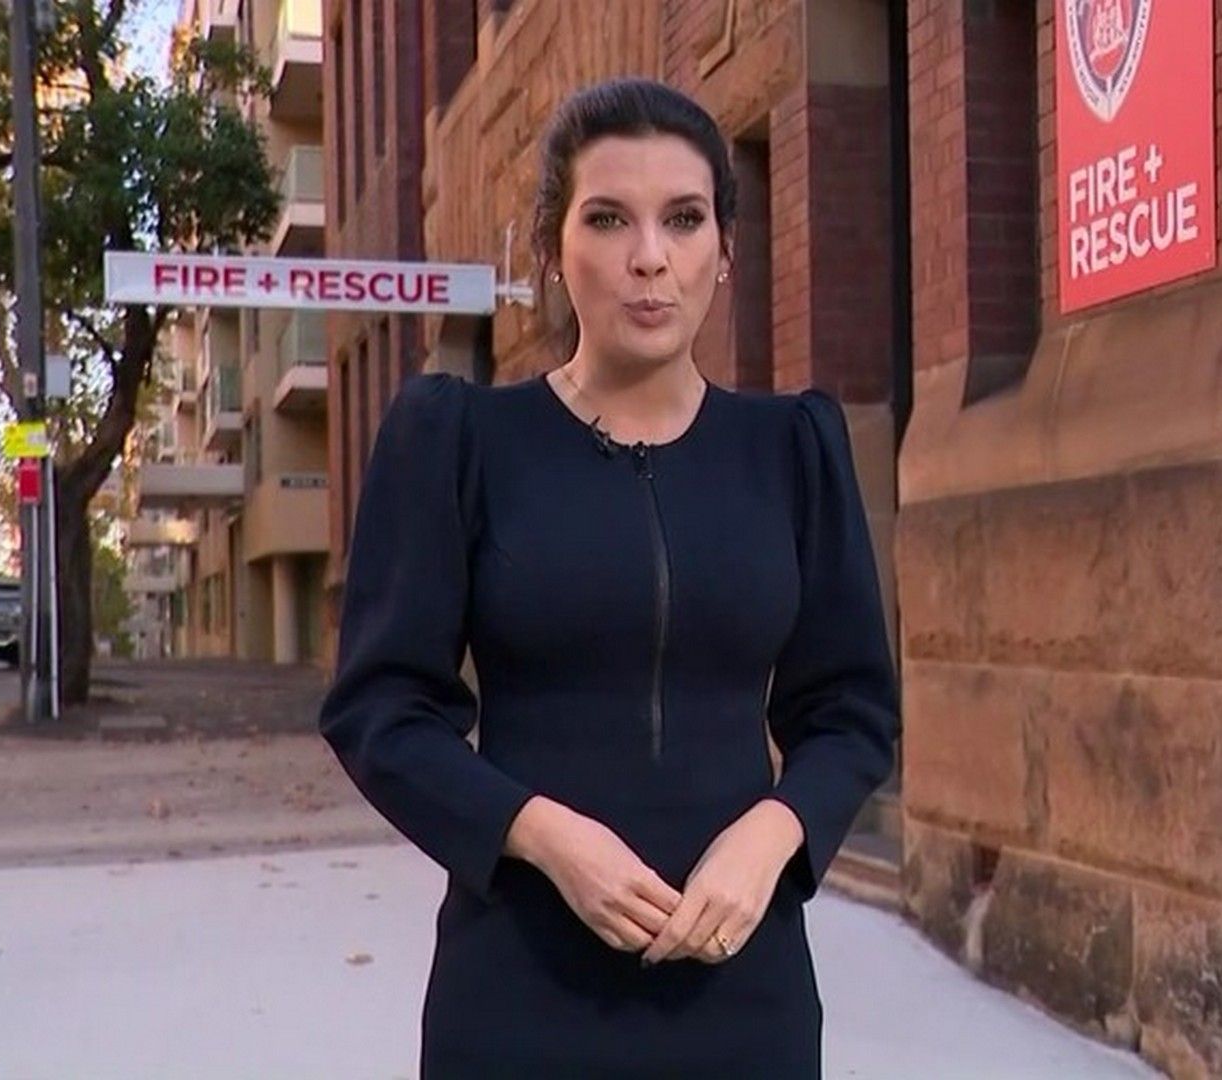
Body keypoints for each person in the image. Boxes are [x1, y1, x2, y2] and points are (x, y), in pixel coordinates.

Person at [319, 77, 900, 1080]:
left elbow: (850, 712)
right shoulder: (460, 441)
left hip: (741, 987)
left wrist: (774, 835)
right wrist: (543, 837)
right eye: (608, 218)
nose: (650, 257)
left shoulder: (791, 450)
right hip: (522, 986)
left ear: (726, 249)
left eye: (684, 219)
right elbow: (381, 709)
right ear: (553, 249)